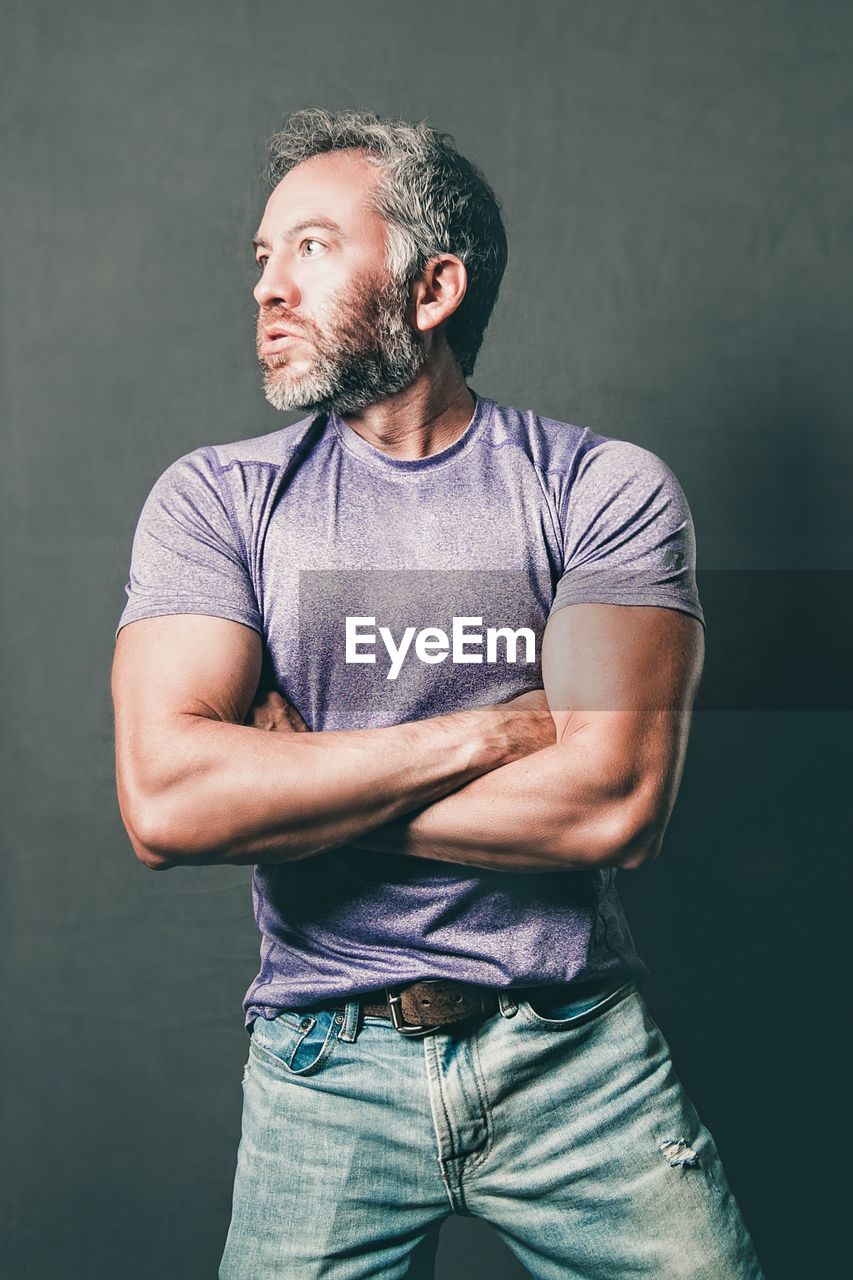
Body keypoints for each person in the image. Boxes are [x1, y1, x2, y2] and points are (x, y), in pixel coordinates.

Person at [111, 108, 765, 1279]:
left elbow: (608, 806)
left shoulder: (597, 489)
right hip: (323, 1066)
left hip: (573, 1056)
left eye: (310, 247)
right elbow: (169, 803)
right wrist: (495, 733)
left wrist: (296, 781)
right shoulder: (213, 502)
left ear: (432, 287)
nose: (267, 286)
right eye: (261, 258)